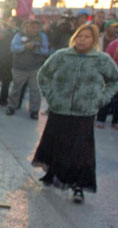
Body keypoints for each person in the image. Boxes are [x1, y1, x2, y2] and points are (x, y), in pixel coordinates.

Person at [34, 24, 118, 203]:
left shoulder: (102, 60)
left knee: (81, 151)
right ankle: (52, 175)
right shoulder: (62, 56)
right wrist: (51, 96)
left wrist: (101, 99)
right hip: (59, 109)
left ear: (94, 40)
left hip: (84, 113)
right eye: (80, 36)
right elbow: (44, 75)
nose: (82, 40)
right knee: (56, 143)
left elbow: (114, 81)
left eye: (87, 37)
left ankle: (78, 185)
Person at [5, 20, 49, 120]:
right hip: (19, 67)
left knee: (35, 90)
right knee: (16, 88)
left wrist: (36, 49)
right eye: (33, 27)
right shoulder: (19, 35)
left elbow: (46, 51)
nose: (35, 29)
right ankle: (11, 106)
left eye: (37, 27)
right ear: (27, 27)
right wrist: (24, 47)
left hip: (35, 68)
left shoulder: (42, 36)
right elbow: (13, 48)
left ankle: (34, 111)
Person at [96, 31, 118, 129]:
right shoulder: (114, 44)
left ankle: (116, 121)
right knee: (107, 97)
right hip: (112, 74)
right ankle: (101, 119)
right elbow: (107, 59)